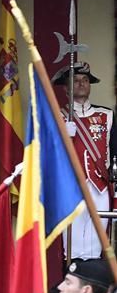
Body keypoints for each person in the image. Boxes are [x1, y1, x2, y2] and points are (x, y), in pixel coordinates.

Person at [53, 62, 117, 259]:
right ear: (65, 88)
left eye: (85, 80)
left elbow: (115, 152)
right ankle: (72, 285)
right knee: (72, 246)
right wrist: (64, 135)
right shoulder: (57, 116)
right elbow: (49, 154)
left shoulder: (106, 115)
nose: (81, 83)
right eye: (76, 80)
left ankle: (93, 289)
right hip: (70, 187)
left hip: (100, 186)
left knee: (97, 245)